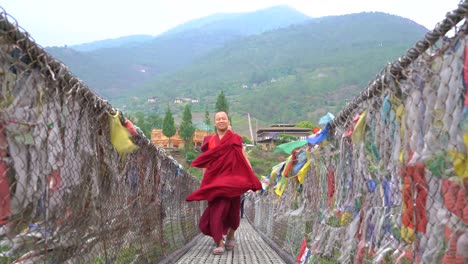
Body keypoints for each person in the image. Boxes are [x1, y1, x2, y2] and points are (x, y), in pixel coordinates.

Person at [186, 111, 262, 255]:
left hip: (232, 181)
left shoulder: (235, 139)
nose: (221, 120)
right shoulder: (210, 141)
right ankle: (219, 242)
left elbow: (243, 158)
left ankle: (231, 235)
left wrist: (251, 178)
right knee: (216, 211)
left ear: (228, 121)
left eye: (223, 118)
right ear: (215, 123)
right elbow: (206, 162)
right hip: (215, 181)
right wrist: (204, 183)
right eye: (218, 119)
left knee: (234, 213)